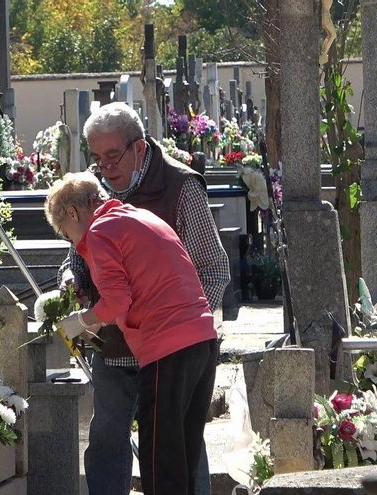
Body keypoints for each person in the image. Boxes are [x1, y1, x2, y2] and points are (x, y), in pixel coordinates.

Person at [58, 102, 230, 495]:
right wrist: (70, 283)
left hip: (169, 346)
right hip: (117, 344)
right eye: (97, 158)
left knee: (176, 449)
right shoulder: (91, 190)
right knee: (106, 438)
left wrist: (170, 325)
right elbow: (76, 255)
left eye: (113, 156)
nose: (104, 168)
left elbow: (213, 268)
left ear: (138, 147)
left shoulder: (180, 185)